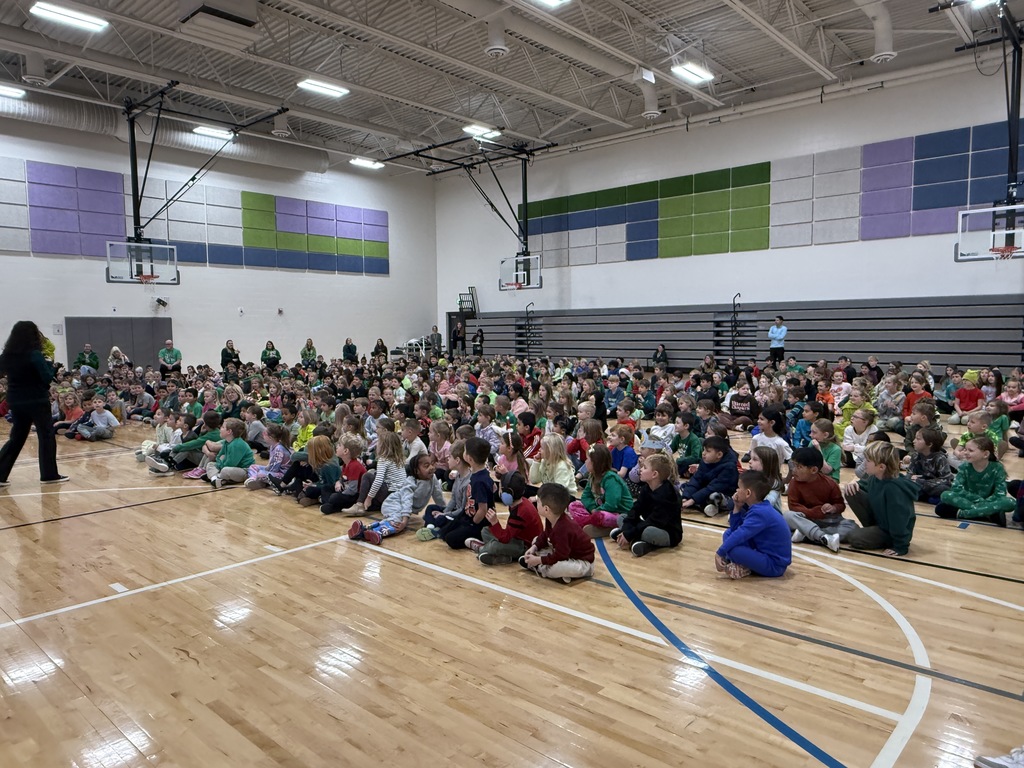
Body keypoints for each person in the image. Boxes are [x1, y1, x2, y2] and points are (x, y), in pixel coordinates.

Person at [0, 321, 66, 486]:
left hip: (15, 400)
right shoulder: (35, 354)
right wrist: (51, 365)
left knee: (16, 438)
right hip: (37, 400)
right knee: (46, 435)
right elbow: (46, 377)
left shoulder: (6, 355)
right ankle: (49, 475)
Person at [840, 442, 917, 556]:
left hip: (892, 532)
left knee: (854, 537)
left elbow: (900, 520)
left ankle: (885, 539)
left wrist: (900, 546)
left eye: (868, 461)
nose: (864, 463)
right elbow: (863, 484)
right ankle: (871, 529)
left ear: (881, 467)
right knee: (851, 491)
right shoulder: (875, 478)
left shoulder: (894, 489)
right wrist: (855, 484)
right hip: (881, 523)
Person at [715, 470, 792, 579]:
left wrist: (720, 553)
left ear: (748, 493)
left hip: (774, 565)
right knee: (729, 533)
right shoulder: (759, 508)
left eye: (739, 488)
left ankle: (744, 566)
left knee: (732, 549)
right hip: (761, 552)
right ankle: (742, 564)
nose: (736, 490)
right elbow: (735, 529)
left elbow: (741, 533)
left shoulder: (760, 513)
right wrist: (737, 507)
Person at [521, 483, 595, 583]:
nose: (536, 503)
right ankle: (549, 569)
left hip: (583, 562)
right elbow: (545, 534)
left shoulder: (564, 528)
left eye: (538, 501)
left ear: (546, 509)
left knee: (557, 567)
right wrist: (534, 547)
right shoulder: (552, 517)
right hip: (565, 553)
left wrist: (538, 560)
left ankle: (539, 567)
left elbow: (560, 556)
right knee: (536, 540)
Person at [611, 453, 682, 557]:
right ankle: (631, 538)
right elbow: (635, 510)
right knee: (622, 517)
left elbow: (654, 521)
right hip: (648, 524)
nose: (640, 470)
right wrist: (627, 529)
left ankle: (635, 540)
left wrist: (629, 533)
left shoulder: (668, 495)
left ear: (654, 474)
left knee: (648, 532)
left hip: (666, 532)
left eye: (644, 467)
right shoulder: (646, 488)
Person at [935, 436, 1015, 525]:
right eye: (965, 449)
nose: (965, 453)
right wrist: (979, 500)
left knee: (1010, 502)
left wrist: (985, 501)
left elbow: (1000, 493)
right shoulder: (964, 467)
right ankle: (987, 513)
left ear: (985, 454)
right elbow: (956, 488)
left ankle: (963, 514)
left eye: (970, 450)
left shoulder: (997, 468)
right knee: (945, 495)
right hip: (969, 500)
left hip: (989, 501)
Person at [785, 447, 851, 553]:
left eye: (799, 467)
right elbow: (793, 506)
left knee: (851, 527)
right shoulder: (794, 483)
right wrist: (814, 512)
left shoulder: (830, 483)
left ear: (814, 470)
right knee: (788, 516)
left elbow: (840, 505)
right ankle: (823, 536)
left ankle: (806, 535)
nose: (794, 470)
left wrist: (833, 508)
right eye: (794, 465)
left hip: (826, 520)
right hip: (805, 519)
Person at [469, 472, 543, 565]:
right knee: (485, 531)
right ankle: (504, 556)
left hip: (525, 547)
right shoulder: (518, 503)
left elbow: (505, 538)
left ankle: (483, 549)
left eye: (500, 488)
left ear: (508, 493)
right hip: (515, 539)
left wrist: (495, 522)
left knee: (494, 546)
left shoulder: (520, 512)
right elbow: (508, 534)